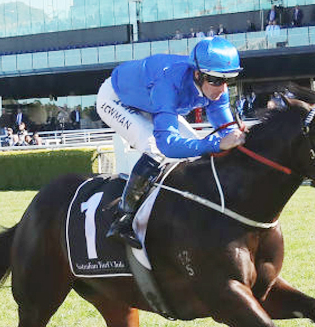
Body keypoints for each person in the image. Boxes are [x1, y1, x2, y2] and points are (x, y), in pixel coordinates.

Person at [96, 36, 246, 249]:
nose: (222, 89)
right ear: (197, 73)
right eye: (215, 80)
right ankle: (122, 218)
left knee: (195, 154)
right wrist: (215, 144)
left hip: (152, 103)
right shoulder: (169, 81)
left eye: (227, 80)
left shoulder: (213, 85)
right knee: (155, 149)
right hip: (116, 99)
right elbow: (167, 144)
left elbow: (226, 129)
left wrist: (238, 136)